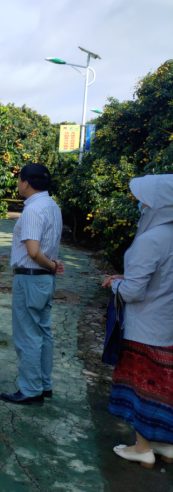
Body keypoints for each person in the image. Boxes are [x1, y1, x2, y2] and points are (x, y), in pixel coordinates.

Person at [103, 174, 173, 468]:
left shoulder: (151, 240)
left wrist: (114, 284)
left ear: (157, 205)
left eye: (144, 201)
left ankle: (142, 447)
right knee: (163, 386)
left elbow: (133, 291)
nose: (140, 206)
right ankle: (166, 444)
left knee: (140, 386)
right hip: (166, 325)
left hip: (143, 327)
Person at [0, 163, 64, 407]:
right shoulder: (52, 206)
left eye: (19, 180)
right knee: (43, 332)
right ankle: (44, 385)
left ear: (26, 183)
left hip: (30, 277)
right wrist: (52, 266)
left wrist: (49, 265)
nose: (17, 184)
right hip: (44, 280)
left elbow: (33, 251)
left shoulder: (33, 210)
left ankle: (30, 390)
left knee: (28, 335)